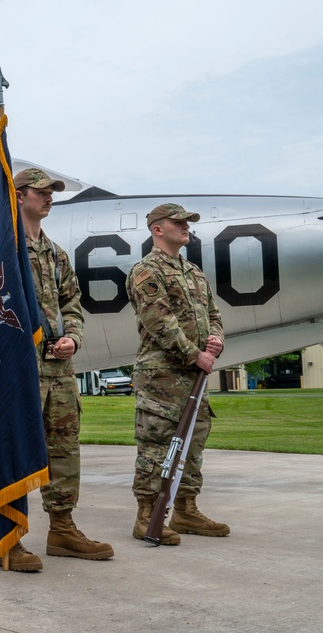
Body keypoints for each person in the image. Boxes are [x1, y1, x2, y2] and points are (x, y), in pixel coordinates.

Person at [0, 168, 113, 572]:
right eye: (41, 192)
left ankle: (63, 529)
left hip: (58, 368)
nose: (49, 197)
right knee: (14, 448)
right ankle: (9, 539)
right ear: (17, 197)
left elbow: (73, 304)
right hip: (19, 371)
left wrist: (73, 337)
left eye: (52, 192)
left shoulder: (56, 255)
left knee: (64, 449)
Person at [126, 203, 228, 544]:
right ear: (157, 228)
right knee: (156, 445)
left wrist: (216, 339)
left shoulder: (194, 272)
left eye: (187, 222)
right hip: (162, 374)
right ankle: (146, 516)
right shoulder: (146, 271)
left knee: (194, 442)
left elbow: (213, 312)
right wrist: (195, 354)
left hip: (195, 372)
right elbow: (159, 322)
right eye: (178, 222)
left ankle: (185, 510)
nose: (186, 226)